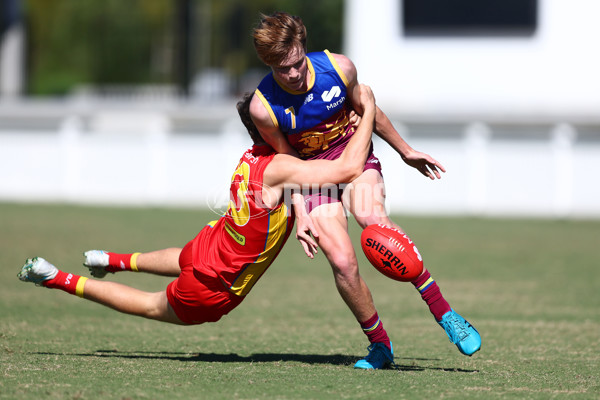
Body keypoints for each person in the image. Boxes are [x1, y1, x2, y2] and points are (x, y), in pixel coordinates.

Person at [17, 85, 378, 340]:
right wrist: (368, 111)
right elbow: (346, 170)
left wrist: (299, 212)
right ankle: (56, 278)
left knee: (185, 258)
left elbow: (289, 184)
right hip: (216, 286)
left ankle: (111, 259)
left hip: (215, 243)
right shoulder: (281, 167)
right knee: (149, 305)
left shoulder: (251, 157)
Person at [249, 12, 481, 369]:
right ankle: (380, 346)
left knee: (374, 221)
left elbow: (368, 109)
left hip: (354, 160)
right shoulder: (262, 108)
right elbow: (286, 159)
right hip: (313, 177)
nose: (292, 75)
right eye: (282, 70)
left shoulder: (339, 69)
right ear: (268, 65)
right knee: (341, 260)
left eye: (296, 63)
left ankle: (444, 313)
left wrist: (405, 150)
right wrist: (300, 212)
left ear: (304, 49)